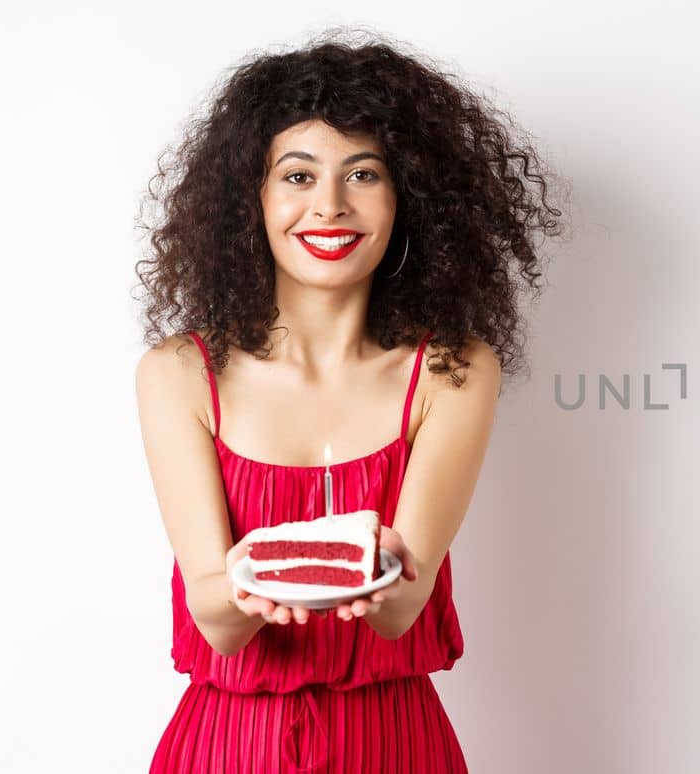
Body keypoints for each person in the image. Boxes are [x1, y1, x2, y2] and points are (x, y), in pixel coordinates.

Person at [133, 29, 564, 772]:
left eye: (363, 175)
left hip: (394, 742)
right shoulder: (177, 374)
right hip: (228, 745)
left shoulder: (453, 371)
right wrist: (255, 588)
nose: (329, 207)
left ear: (408, 198)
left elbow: (400, 612)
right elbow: (217, 623)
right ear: (252, 199)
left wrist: (393, 569)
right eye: (298, 177)